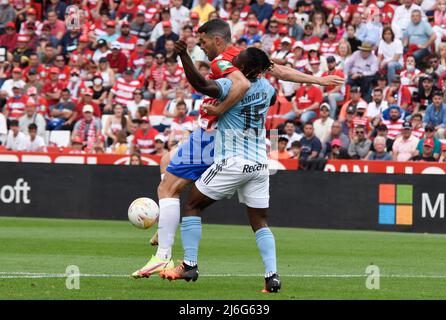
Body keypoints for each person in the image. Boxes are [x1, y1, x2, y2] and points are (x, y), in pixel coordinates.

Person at [132, 19, 343, 279]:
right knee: (166, 162)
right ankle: (167, 223)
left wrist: (219, 109)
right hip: (219, 139)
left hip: (212, 135)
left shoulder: (223, 62)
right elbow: (280, 71)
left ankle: (163, 255)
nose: (202, 46)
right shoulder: (243, 58)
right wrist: (317, 79)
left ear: (216, 40)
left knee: (170, 190)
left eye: (204, 41)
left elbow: (241, 86)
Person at [159, 47, 281, 293]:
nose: (233, 62)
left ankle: (189, 265)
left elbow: (202, 85)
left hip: (233, 161)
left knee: (193, 205)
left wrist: (184, 57)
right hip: (259, 164)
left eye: (239, 61)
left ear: (246, 69)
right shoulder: (269, 90)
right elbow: (271, 98)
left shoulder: (230, 85)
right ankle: (272, 277)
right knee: (259, 220)